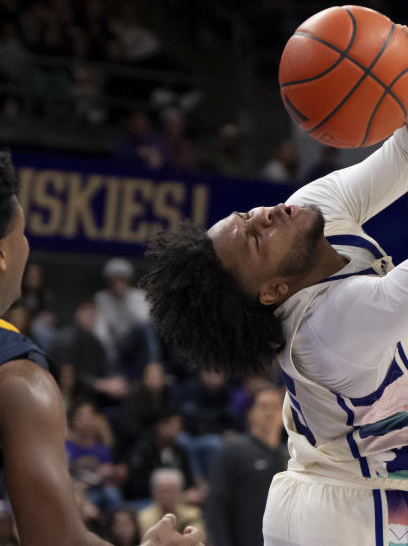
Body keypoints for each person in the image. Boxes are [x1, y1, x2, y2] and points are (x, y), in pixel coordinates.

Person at [140, 19, 408, 545]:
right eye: (255, 239)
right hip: (354, 508)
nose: (266, 214)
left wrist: (401, 68)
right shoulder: (324, 328)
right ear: (272, 293)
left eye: (248, 215)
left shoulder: (314, 208)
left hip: (346, 497)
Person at [0, 150, 203, 545]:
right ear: (3, 254)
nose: (28, 247)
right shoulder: (17, 377)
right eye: (23, 234)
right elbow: (53, 541)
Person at [205, 386, 288, 546]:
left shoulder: (290, 457)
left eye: (275, 407)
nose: (269, 413)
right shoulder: (232, 450)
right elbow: (216, 507)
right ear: (250, 414)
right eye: (263, 406)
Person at [137, 469, 205, 537]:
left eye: (171, 491)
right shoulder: (144, 517)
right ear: (154, 493)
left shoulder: (192, 515)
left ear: (180, 492)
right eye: (163, 491)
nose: (167, 496)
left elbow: (198, 538)